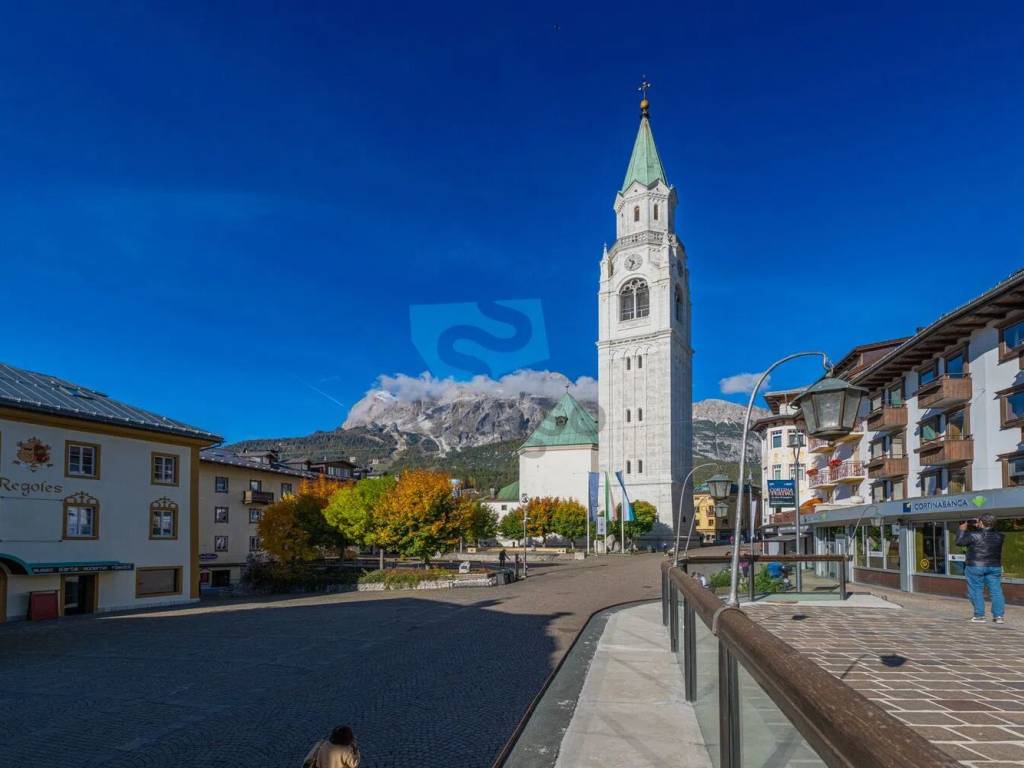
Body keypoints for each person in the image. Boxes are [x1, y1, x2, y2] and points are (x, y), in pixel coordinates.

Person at [956, 513, 1006, 624]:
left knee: (976, 590)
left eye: (978, 521)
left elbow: (959, 542)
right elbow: (989, 534)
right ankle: (998, 616)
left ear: (981, 523)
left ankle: (979, 616)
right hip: (994, 566)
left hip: (975, 566)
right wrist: (980, 524)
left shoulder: (973, 535)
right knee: (996, 591)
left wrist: (962, 529)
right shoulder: (1000, 536)